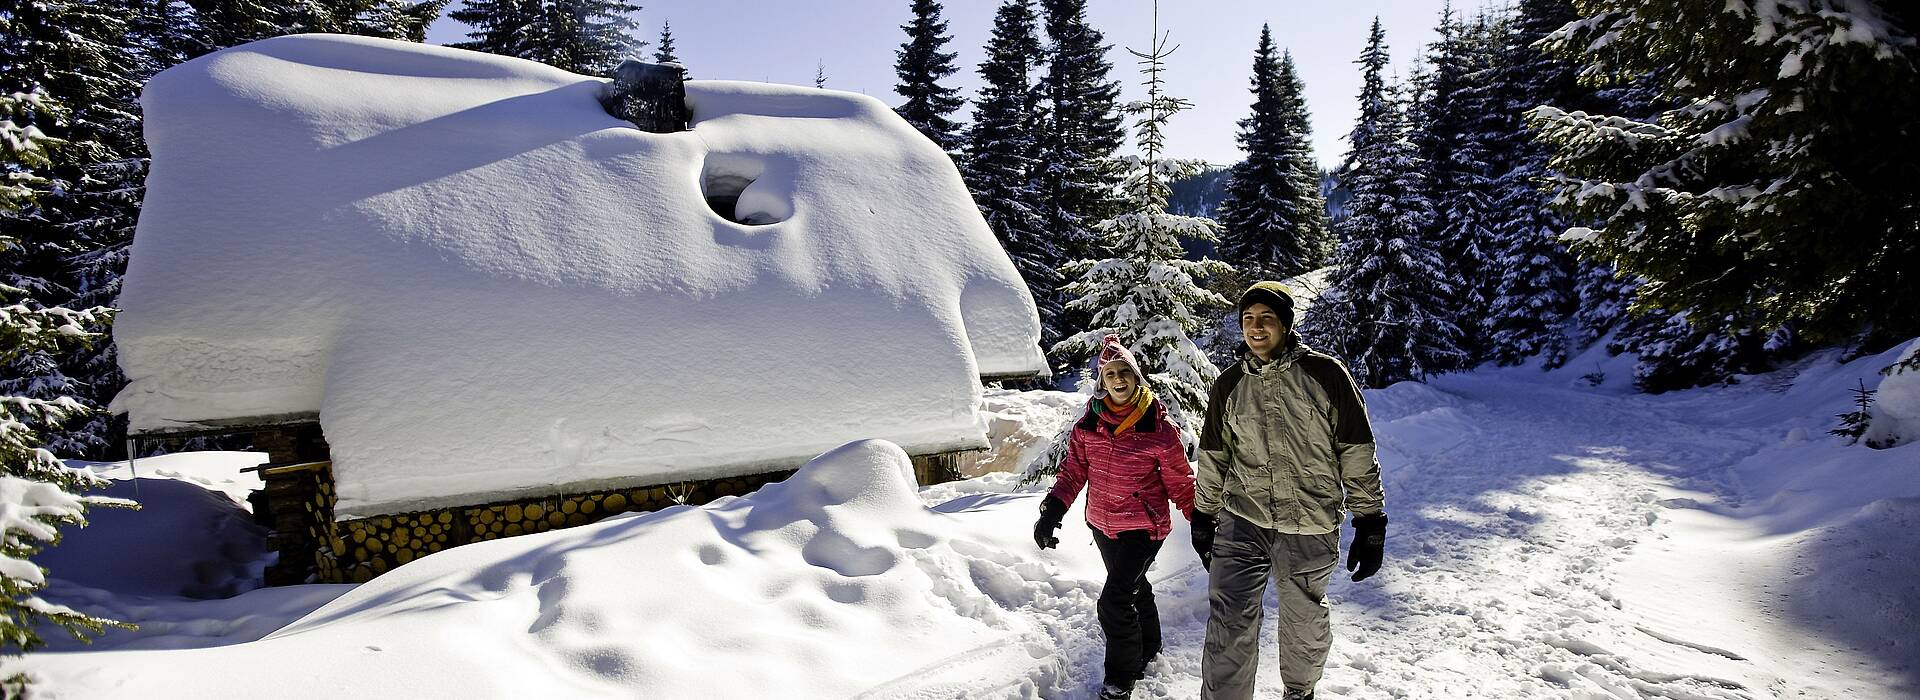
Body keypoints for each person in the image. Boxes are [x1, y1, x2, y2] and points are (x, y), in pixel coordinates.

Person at [1190, 281, 1387, 700]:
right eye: (1248, 319)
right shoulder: (1228, 385)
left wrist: (1370, 521)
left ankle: (1299, 693)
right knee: (1229, 623)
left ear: (1285, 325)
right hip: (1243, 520)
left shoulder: (1326, 374)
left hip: (1309, 522)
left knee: (1303, 622)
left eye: (1266, 319)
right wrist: (1203, 516)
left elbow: (1355, 451)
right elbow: (1213, 456)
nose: (1256, 328)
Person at [1033, 334, 1197, 700]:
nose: (1118, 380)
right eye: (1110, 374)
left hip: (1144, 528)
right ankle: (1151, 644)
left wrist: (1200, 524)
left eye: (1125, 372)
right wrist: (1052, 512)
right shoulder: (1088, 426)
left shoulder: (1158, 428)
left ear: (1137, 377)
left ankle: (1120, 679)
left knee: (1114, 601)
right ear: (1102, 381)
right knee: (1134, 587)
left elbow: (1181, 483)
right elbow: (1073, 473)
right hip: (1104, 524)